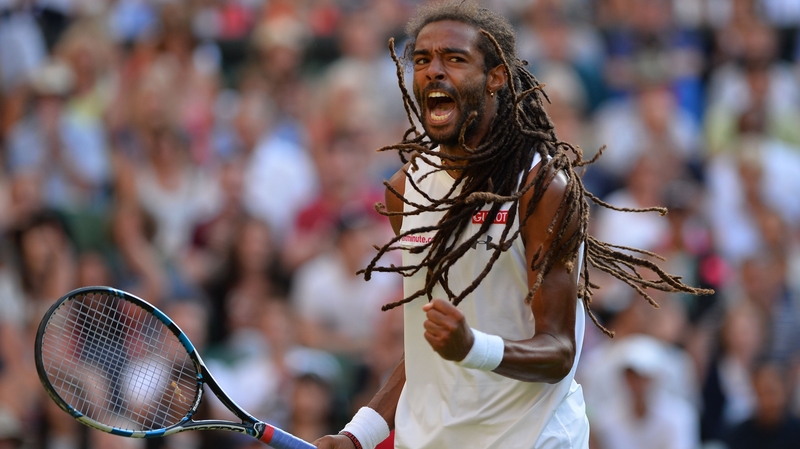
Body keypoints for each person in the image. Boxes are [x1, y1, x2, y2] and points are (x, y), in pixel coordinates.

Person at [314, 2, 711, 448]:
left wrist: (472, 347)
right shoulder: (405, 189)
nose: (433, 72)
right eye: (422, 60)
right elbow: (426, 348)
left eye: (455, 58)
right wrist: (358, 435)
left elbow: (559, 350)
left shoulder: (542, 188)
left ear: (497, 76)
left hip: (533, 436)